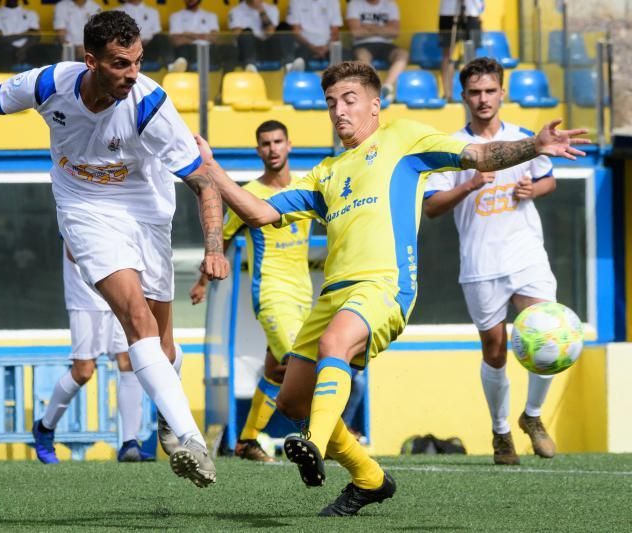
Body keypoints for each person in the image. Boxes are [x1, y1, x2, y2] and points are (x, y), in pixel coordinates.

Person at [195, 61, 588, 515]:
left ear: (375, 105)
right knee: (292, 398)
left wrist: (533, 146)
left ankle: (313, 445)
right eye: (329, 103)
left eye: (348, 100)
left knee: (333, 345)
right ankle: (369, 478)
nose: (338, 111)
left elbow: (479, 156)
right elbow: (259, 212)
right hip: (333, 296)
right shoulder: (326, 172)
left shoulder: (404, 140)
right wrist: (214, 170)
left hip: (385, 284)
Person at [0, 11, 229, 488]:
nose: (132, 74)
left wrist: (214, 248)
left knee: (163, 346)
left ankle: (168, 409)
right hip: (84, 209)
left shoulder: (151, 105)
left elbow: (205, 184)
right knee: (134, 318)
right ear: (91, 61)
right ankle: (191, 439)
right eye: (121, 64)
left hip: (147, 214)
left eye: (138, 62)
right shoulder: (49, 84)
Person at [424, 58, 560, 466]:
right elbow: (431, 208)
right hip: (481, 264)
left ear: (503, 93)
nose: (483, 99)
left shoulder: (523, 138)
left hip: (526, 254)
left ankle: (532, 417)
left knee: (548, 334)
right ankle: (501, 431)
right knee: (496, 352)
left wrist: (532, 190)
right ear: (462, 96)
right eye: (475, 92)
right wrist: (469, 184)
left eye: (490, 91)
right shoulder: (452, 148)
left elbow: (548, 178)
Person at [190, 120, 312, 462]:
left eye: (278, 142)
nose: (272, 149)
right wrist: (202, 281)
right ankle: (328, 435)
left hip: (304, 296)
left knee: (276, 370)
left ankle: (246, 442)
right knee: (301, 362)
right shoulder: (249, 194)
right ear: (258, 150)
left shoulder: (306, 188)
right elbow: (223, 238)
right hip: (271, 294)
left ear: (289, 145)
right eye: (265, 143)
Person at [34, 244, 155, 464]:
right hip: (85, 298)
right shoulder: (73, 209)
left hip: (122, 294)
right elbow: (74, 250)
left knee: (128, 361)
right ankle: (44, 428)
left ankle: (130, 443)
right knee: (83, 371)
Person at [345, 0, 407, 103]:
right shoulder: (354, 3)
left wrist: (368, 27)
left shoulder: (390, 4)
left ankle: (387, 86)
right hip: (362, 44)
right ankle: (375, 87)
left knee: (402, 54)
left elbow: (395, 32)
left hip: (386, 45)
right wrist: (384, 29)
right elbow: (356, 32)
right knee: (362, 56)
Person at [227, 0, 299, 73]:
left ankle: (289, 65)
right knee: (246, 33)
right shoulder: (235, 11)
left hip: (269, 47)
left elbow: (270, 32)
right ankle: (250, 66)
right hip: (250, 49)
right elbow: (237, 34)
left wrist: (261, 11)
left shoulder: (272, 9)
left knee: (284, 27)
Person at [0, 0, 60, 71]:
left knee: (50, 49)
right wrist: (25, 33)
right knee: (4, 50)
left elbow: (36, 36)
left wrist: (23, 49)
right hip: (7, 50)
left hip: (28, 48)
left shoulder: (31, 13)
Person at [168, 0, 236, 73]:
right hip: (189, 50)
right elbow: (177, 41)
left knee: (231, 49)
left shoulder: (211, 16)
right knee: (183, 50)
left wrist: (187, 35)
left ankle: (225, 81)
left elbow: (215, 38)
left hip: (209, 51)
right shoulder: (175, 16)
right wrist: (200, 36)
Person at [439, 0, 484, 100]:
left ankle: (474, 92)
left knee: (472, 54)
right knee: (448, 54)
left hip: (472, 11)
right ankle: (447, 94)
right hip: (448, 12)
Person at [115, 0, 174, 70]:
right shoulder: (117, 11)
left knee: (161, 37)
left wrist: (145, 39)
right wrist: (136, 41)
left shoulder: (153, 12)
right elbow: (116, 33)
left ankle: (171, 66)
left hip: (148, 46)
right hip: (128, 47)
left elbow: (156, 32)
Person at [286, 0, 342, 66]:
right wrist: (311, 47)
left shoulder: (333, 1)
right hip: (303, 46)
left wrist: (326, 48)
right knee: (297, 62)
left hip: (328, 47)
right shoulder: (295, 1)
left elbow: (335, 31)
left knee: (344, 64)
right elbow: (296, 31)